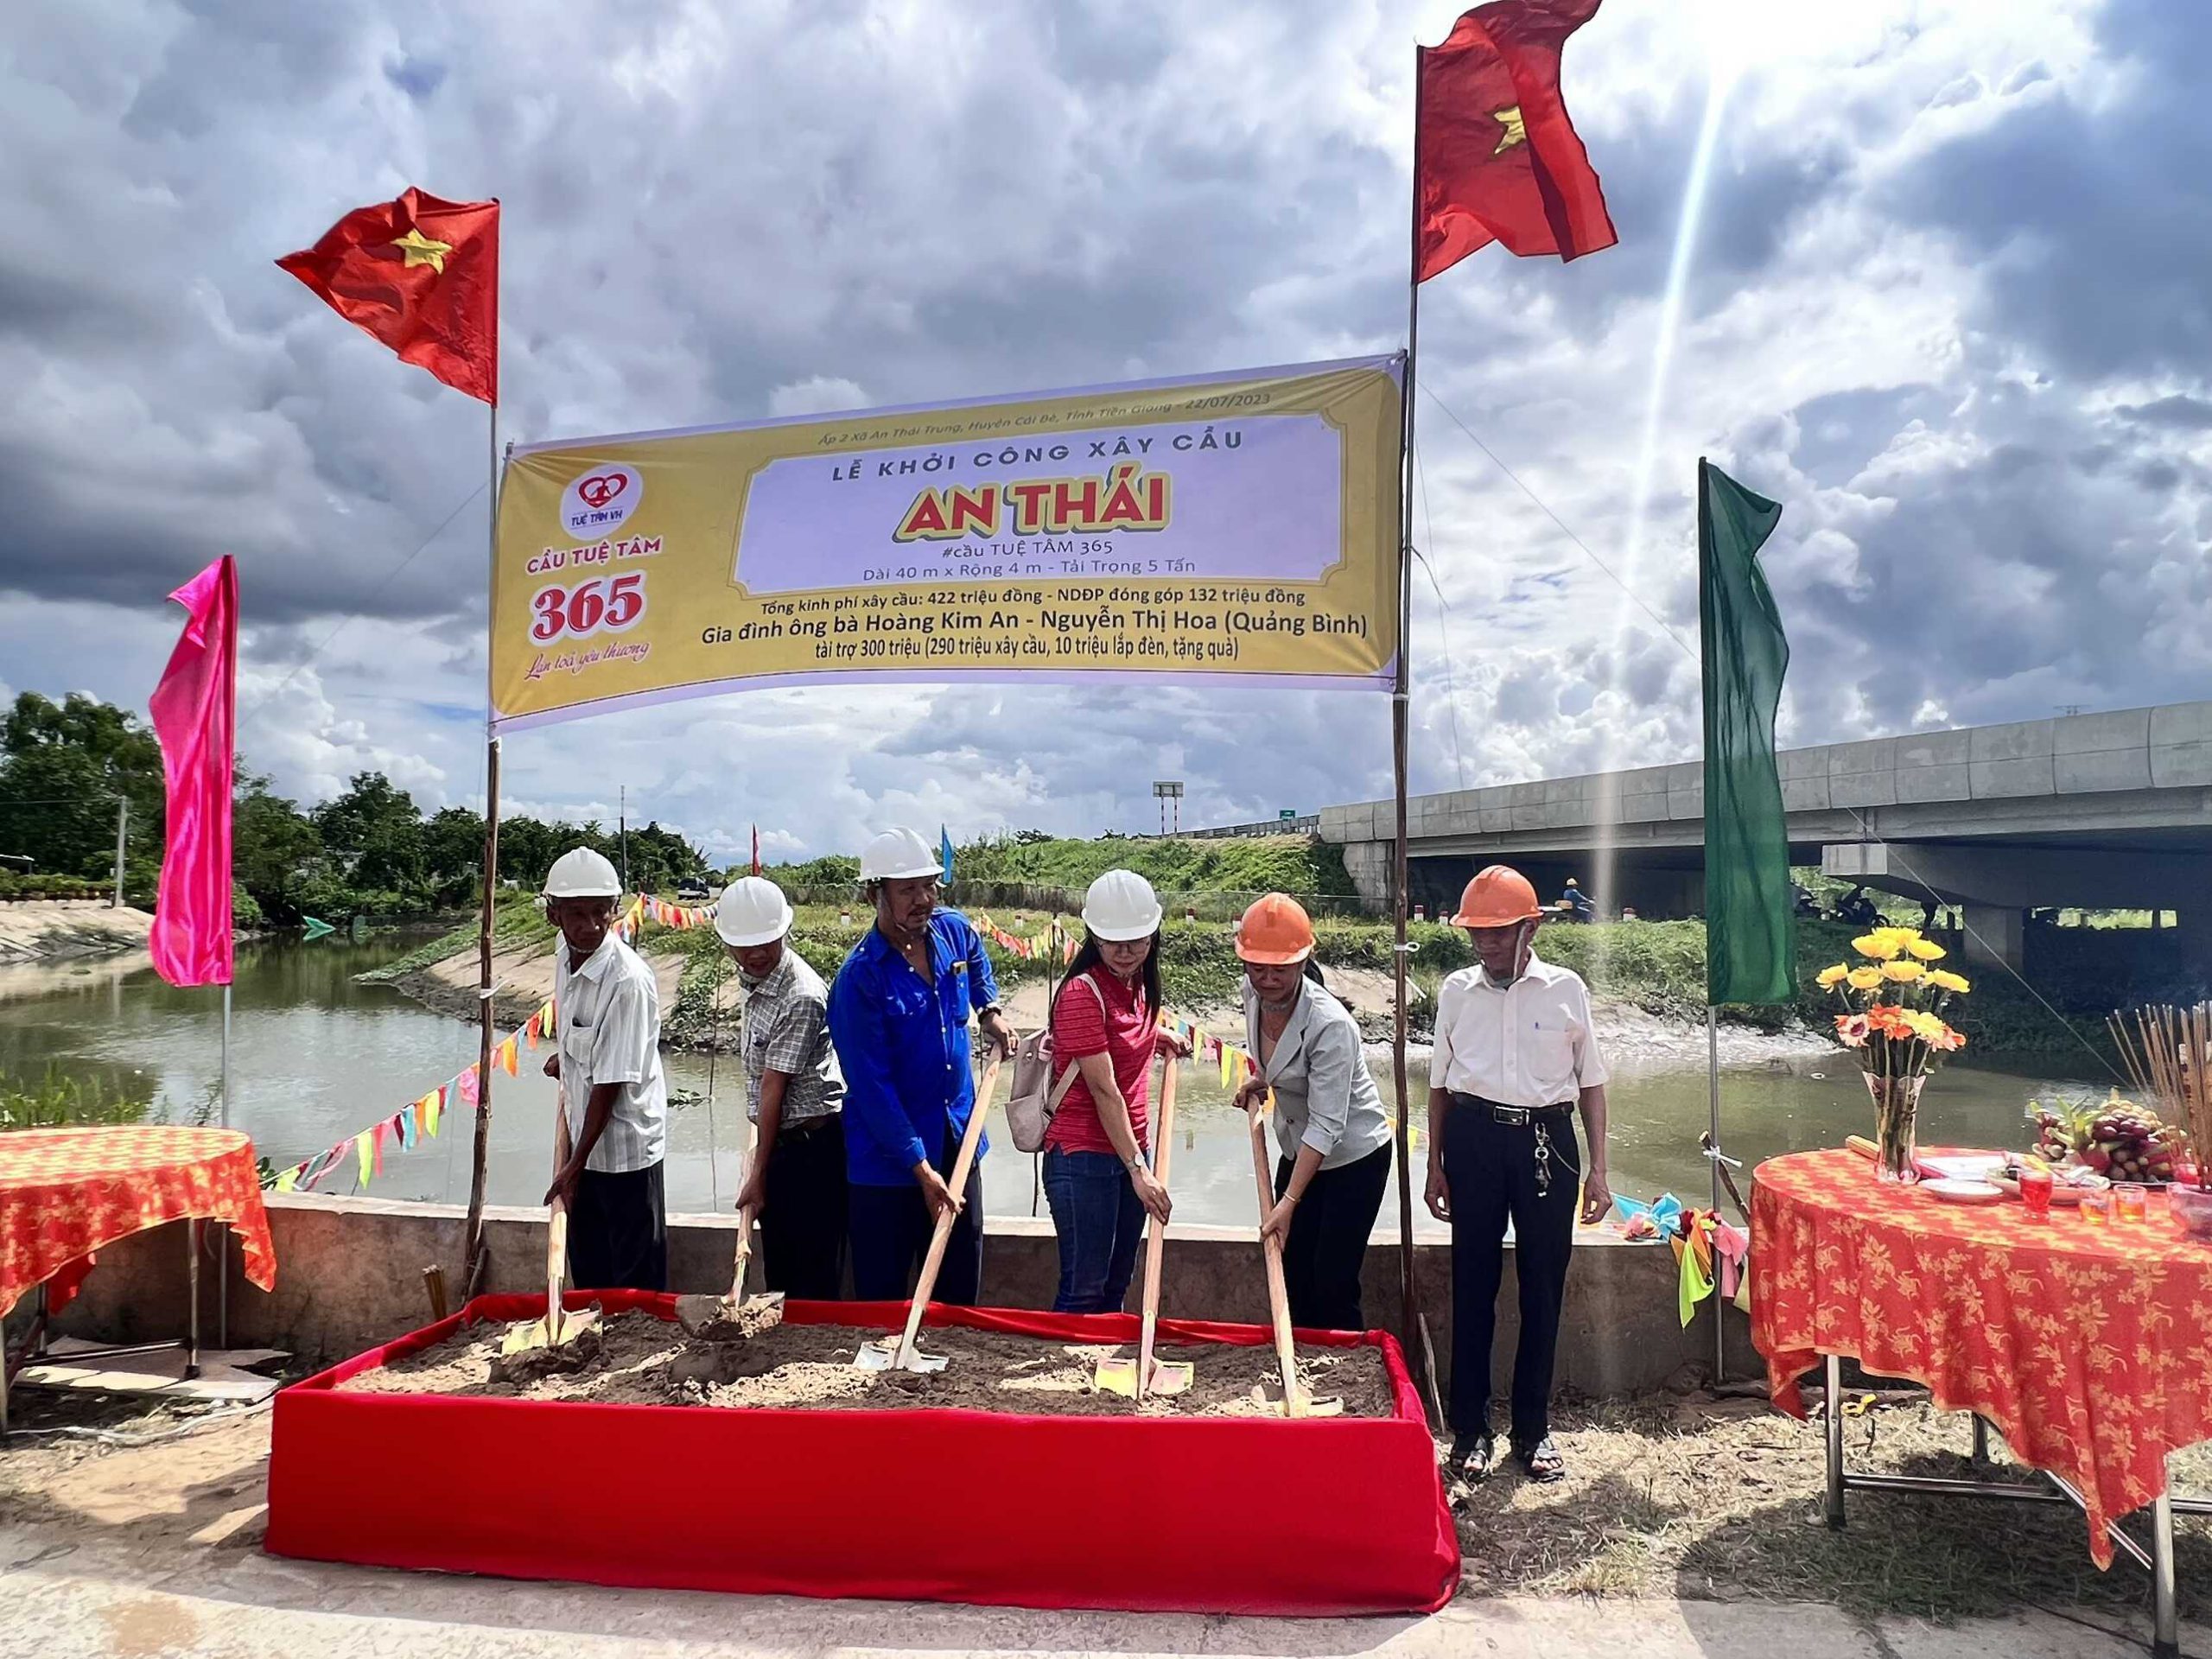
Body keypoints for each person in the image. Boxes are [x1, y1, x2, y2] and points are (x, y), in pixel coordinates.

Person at [1425, 864, 1611, 1486]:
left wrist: (1599, 1171)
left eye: (1499, 932)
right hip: (1473, 1141)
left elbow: (1591, 1083)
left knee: (1543, 1287)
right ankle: (1470, 1430)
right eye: (1477, 933)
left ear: (1531, 928)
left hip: (1547, 1143)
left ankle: (1532, 1428)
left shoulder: (1566, 989)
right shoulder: (1456, 991)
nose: (1486, 944)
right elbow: (1439, 1084)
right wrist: (1435, 1165)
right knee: (1472, 1284)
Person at [827, 826, 1017, 1304]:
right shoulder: (859, 979)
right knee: (884, 1300)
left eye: (929, 886)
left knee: (959, 1288)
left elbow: (977, 960)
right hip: (889, 1166)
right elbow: (873, 1088)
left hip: (958, 1139)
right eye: (908, 890)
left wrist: (988, 1009)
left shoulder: (952, 930)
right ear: (875, 895)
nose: (923, 900)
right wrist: (920, 1168)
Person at [1230, 893, 1392, 1332]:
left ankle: (1346, 1362)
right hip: (1298, 1146)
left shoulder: (1330, 1025)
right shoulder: (1250, 993)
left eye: (1280, 969)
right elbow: (1280, 1055)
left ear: (1303, 961)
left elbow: (1326, 1125)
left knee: (1333, 1280)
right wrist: (1263, 1077)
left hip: (1353, 1157)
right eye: (1257, 967)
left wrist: (1289, 1202)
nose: (1267, 979)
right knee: (1293, 1269)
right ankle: (1299, 1355)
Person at [1040, 870, 1192, 1313]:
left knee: (1116, 1284)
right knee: (1084, 1287)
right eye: (1113, 943)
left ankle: (1102, 1359)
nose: (1125, 953)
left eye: (1136, 942)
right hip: (1084, 1157)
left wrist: (1157, 1035)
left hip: (1130, 1150)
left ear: (1152, 936)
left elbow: (1122, 1034)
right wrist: (1139, 1170)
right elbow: (1104, 1090)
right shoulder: (1081, 994)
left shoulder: (1138, 985)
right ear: (1093, 937)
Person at [540, 848, 670, 1292]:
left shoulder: (627, 980)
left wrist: (572, 1168)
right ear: (554, 915)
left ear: (615, 909)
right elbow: (586, 1035)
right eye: (577, 914)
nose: (591, 925)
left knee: (635, 1280)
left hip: (625, 1152)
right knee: (590, 1269)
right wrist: (566, 1059)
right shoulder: (564, 953)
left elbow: (610, 1082)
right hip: (583, 1142)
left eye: (601, 912)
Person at [716, 875, 847, 1300]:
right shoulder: (756, 980)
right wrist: (762, 1157)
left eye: (765, 943)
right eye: (744, 946)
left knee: (812, 1275)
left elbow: (773, 1088)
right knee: (780, 1267)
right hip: (779, 1144)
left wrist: (757, 1174)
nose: (755, 955)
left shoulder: (801, 994)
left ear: (784, 932)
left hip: (812, 1150)